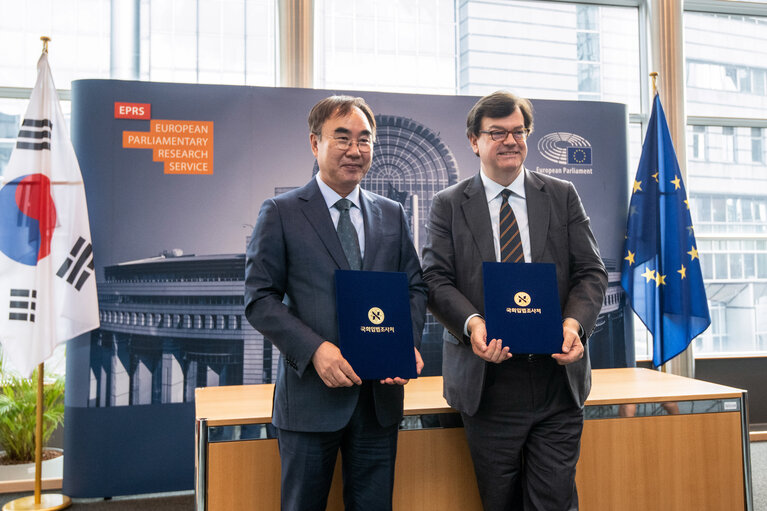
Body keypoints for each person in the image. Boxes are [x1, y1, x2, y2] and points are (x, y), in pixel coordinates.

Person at [422, 90, 607, 510]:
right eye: (497, 132)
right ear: (474, 140)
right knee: (499, 501)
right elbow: (434, 279)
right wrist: (472, 325)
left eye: (519, 132)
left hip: (554, 380)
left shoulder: (562, 195)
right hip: (488, 384)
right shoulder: (448, 205)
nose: (510, 141)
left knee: (554, 501)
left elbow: (591, 272)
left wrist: (574, 324)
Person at [244, 95, 427, 511]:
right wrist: (316, 351)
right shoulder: (281, 212)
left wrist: (406, 345)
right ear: (315, 143)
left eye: (364, 140)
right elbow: (259, 300)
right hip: (311, 398)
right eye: (341, 137)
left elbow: (414, 287)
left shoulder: (392, 214)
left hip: (379, 400)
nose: (354, 150)